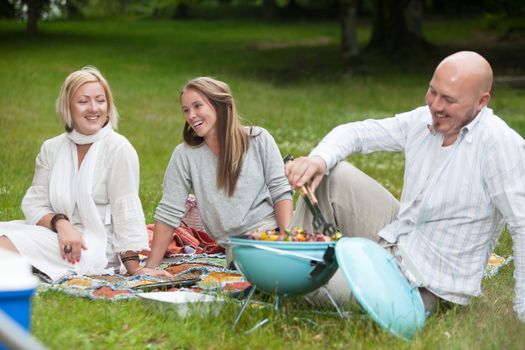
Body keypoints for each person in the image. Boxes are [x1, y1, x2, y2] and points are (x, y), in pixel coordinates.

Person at [285, 51, 525, 321]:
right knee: (331, 172)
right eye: (433, 92)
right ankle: (291, 259)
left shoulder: (501, 145)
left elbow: (522, 225)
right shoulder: (424, 120)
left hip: (426, 285)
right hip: (397, 239)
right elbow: (358, 133)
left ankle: (292, 278)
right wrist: (318, 159)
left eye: (449, 99)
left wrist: (522, 312)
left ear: (481, 102)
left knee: (304, 283)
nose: (436, 105)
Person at [0, 66, 149, 281]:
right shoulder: (51, 148)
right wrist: (62, 224)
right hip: (54, 234)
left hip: (93, 246)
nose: (93, 108)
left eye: (100, 100)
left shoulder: (118, 148)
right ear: (68, 106)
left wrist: (133, 267)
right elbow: (35, 203)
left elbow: (125, 208)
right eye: (83, 101)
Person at [139, 77, 293, 275]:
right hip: (242, 247)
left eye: (197, 106)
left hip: (277, 229)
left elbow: (281, 191)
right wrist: (150, 268)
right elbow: (169, 211)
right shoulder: (185, 155)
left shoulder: (258, 138)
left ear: (220, 105)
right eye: (186, 110)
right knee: (272, 269)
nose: (191, 115)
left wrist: (289, 242)